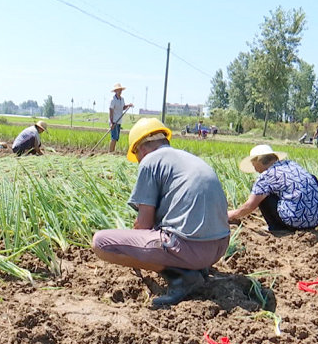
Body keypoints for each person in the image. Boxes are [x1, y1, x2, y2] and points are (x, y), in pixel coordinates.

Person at [92, 118, 231, 307]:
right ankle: (194, 268)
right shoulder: (188, 159)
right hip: (218, 248)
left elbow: (144, 226)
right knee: (163, 232)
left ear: (141, 148)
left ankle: (182, 277)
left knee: (102, 243)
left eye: (137, 155)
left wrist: (133, 248)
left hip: (189, 248)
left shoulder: (150, 161)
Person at [228, 144, 318, 232]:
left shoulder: (266, 176)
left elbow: (249, 206)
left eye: (253, 164)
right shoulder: (292, 164)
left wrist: (230, 215)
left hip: (296, 221)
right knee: (311, 178)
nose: (254, 168)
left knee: (262, 194)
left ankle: (276, 227)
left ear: (258, 161)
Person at [109, 83, 133, 153]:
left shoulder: (122, 99)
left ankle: (112, 151)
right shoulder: (112, 100)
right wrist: (111, 122)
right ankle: (110, 152)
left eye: (120, 90)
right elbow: (111, 110)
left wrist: (128, 106)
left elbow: (122, 108)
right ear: (115, 91)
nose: (120, 91)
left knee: (116, 138)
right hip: (114, 121)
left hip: (119, 121)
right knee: (113, 138)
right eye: (118, 90)